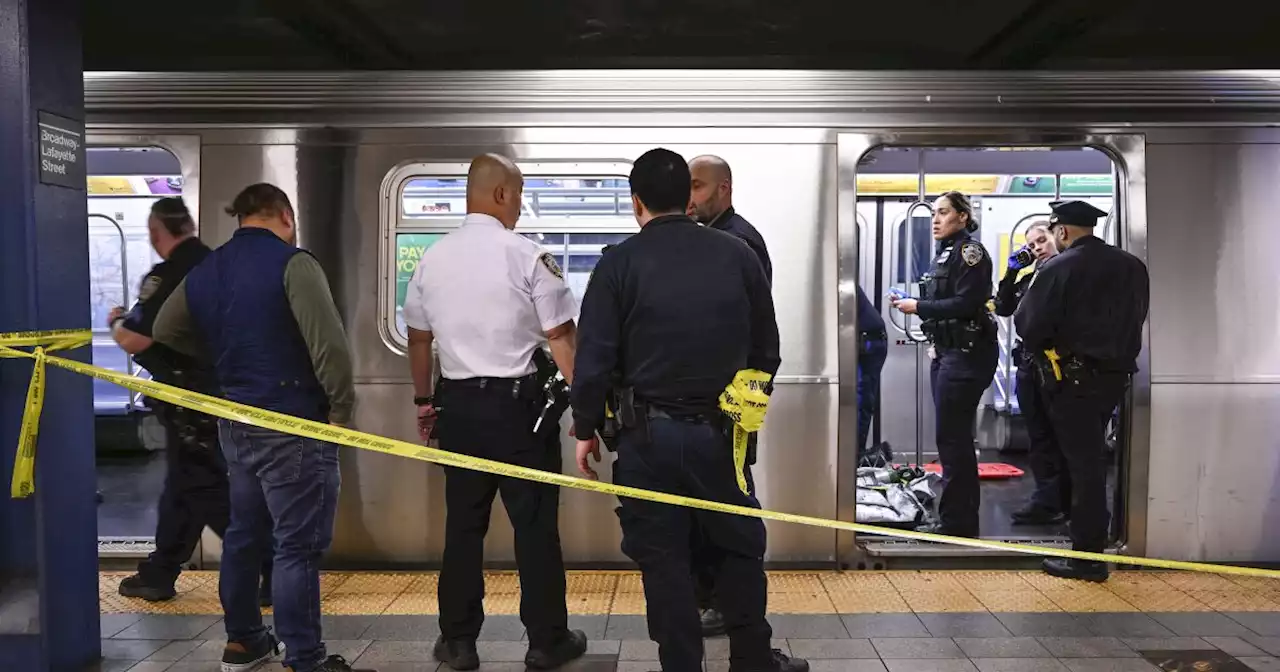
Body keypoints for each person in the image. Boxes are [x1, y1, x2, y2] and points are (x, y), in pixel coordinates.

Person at [572, 148, 808, 672]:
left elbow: (594, 357)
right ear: (688, 197)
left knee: (663, 558)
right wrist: (744, 405)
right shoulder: (738, 255)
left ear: (637, 202)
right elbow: (766, 349)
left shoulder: (617, 263)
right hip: (723, 437)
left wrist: (585, 427)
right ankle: (751, 657)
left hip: (645, 439)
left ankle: (682, 665)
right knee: (738, 547)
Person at [152, 184, 369, 672]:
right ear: (285, 216)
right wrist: (340, 413)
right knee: (298, 546)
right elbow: (328, 347)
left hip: (237, 422)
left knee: (244, 534)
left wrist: (224, 360)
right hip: (294, 423)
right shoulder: (294, 264)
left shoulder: (207, 269)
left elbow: (165, 329)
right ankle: (306, 658)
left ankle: (244, 641)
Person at [402, 153, 587, 672]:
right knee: (534, 527)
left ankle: (459, 642)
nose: (521, 205)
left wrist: (424, 402)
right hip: (520, 412)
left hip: (458, 408)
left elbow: (420, 340)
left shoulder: (431, 259)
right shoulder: (527, 256)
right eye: (521, 192)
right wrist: (589, 414)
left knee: (463, 527)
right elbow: (562, 339)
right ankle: (546, 641)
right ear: (502, 194)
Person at [108, 197, 273, 607]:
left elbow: (138, 338)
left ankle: (270, 566)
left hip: (188, 399)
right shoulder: (219, 264)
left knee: (206, 487)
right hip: (228, 390)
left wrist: (114, 322)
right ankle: (160, 570)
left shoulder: (166, 276)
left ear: (156, 232)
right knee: (185, 484)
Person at [1015, 200, 1149, 582]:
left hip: (1073, 381)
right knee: (1091, 460)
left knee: (1083, 465)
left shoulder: (1059, 267)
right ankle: (1089, 538)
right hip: (1114, 378)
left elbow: (1029, 324)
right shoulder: (1131, 266)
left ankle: (1087, 556)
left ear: (1061, 231)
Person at [685, 154, 773, 637]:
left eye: (697, 186)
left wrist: (742, 404)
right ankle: (710, 596)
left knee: (730, 504)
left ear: (724, 187)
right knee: (708, 504)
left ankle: (729, 603)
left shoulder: (736, 241)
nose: (690, 196)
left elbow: (745, 329)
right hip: (720, 400)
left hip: (730, 401)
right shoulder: (712, 237)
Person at [890, 191, 998, 538]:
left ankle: (959, 523)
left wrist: (917, 308)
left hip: (967, 356)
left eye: (944, 212)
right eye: (934, 213)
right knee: (950, 438)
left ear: (963, 217)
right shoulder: (945, 255)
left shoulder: (970, 254)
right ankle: (955, 516)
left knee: (954, 441)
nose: (936, 219)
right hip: (950, 353)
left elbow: (967, 303)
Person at [993, 221, 1068, 526]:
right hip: (1029, 365)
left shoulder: (1064, 273)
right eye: (1032, 245)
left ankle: (1058, 500)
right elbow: (1003, 307)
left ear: (1056, 238)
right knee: (1038, 436)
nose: (1038, 248)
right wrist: (1011, 273)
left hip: (1055, 365)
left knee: (1057, 435)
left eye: (1042, 240)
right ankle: (1046, 499)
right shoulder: (1030, 279)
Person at [855, 285, 891, 466]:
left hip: (868, 343)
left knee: (860, 403)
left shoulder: (834, 279)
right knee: (859, 402)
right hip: (867, 340)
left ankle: (855, 456)